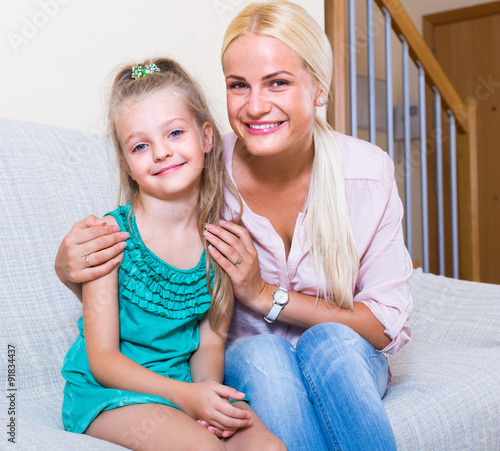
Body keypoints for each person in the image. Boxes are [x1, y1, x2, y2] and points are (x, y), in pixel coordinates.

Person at [55, 2, 413, 450]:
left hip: (339, 350)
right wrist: (67, 265)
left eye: (278, 82)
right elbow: (122, 290)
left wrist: (265, 296)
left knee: (330, 345)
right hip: (245, 358)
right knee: (264, 354)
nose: (256, 106)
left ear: (320, 89)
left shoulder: (366, 173)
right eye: (238, 85)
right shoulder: (202, 175)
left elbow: (385, 321)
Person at [60, 57, 285, 451]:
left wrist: (206, 395)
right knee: (203, 448)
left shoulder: (222, 242)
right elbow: (103, 359)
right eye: (141, 145)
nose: (161, 153)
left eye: (175, 133)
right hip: (110, 393)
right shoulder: (109, 237)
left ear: (207, 138)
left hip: (184, 388)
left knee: (268, 447)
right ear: (127, 165)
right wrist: (184, 399)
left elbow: (210, 343)